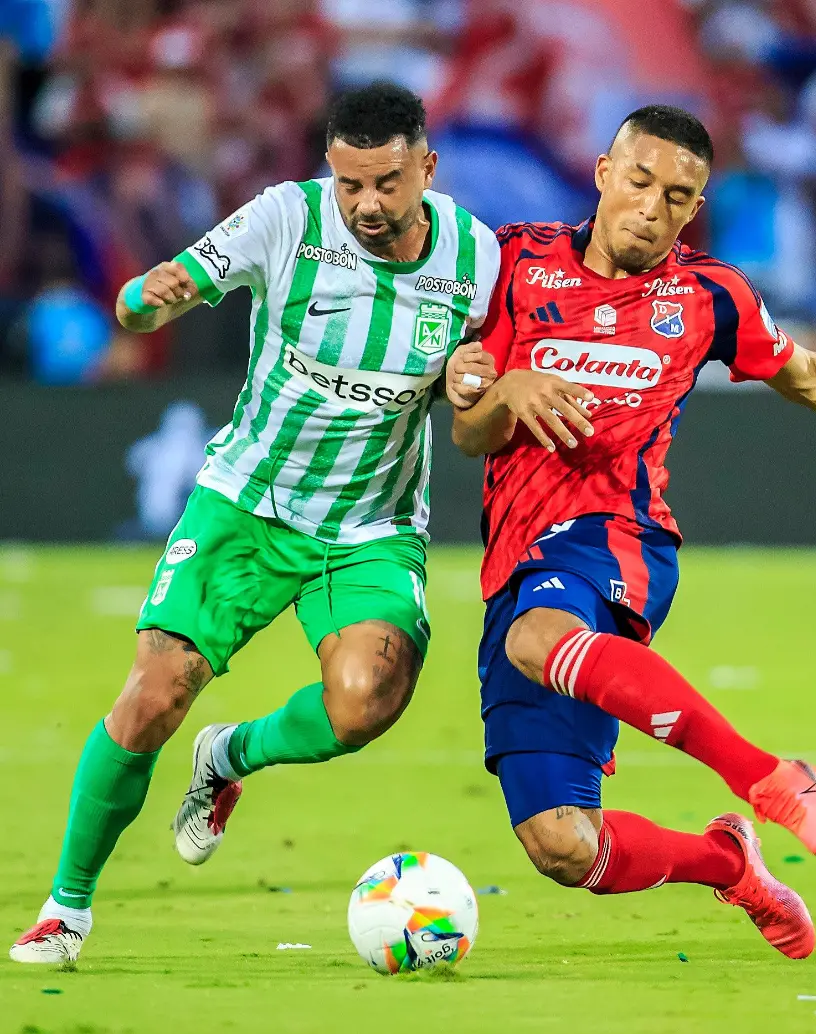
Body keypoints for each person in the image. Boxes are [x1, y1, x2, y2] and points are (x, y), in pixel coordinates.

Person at [453, 105, 816, 960]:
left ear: (696, 209)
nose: (653, 207)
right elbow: (469, 434)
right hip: (515, 554)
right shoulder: (512, 260)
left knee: (544, 638)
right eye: (642, 181)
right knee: (560, 844)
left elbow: (809, 376)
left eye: (678, 197)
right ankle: (729, 864)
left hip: (616, 536)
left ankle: (765, 775)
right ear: (605, 172)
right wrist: (500, 391)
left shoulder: (706, 294)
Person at [10, 81, 500, 964]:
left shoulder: (478, 257)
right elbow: (176, 284)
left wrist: (471, 386)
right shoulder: (286, 218)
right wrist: (149, 297)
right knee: (154, 693)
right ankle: (66, 907)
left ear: (426, 167)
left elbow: (476, 403)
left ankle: (229, 756)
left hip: (370, 526)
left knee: (362, 707)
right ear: (328, 171)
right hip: (247, 502)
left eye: (388, 183)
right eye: (350, 184)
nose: (367, 205)